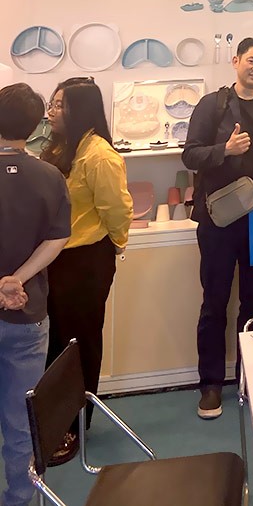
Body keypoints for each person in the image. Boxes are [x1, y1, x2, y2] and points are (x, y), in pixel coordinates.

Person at [182, 37, 253, 420]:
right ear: (236, 61)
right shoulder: (213, 104)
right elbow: (190, 153)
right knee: (214, 303)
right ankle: (210, 385)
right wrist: (224, 151)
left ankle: (249, 377)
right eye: (251, 60)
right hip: (218, 220)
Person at [41, 77, 133, 465]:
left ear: (79, 109)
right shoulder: (58, 146)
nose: (51, 111)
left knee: (79, 344)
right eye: (52, 103)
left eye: (59, 105)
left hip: (86, 260)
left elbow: (118, 210)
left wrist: (117, 245)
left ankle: (76, 425)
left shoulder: (100, 155)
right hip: (54, 260)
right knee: (54, 343)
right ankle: (52, 420)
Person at [0, 84, 71, 506]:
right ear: (35, 125)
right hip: (28, 314)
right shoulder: (50, 175)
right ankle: (19, 499)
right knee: (21, 421)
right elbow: (57, 238)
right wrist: (17, 280)